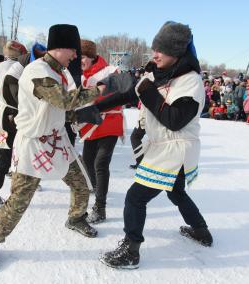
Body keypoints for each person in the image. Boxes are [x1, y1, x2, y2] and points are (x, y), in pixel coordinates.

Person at [77, 21, 212, 269]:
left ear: (178, 53)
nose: (155, 55)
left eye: (162, 50)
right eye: (155, 49)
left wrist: (148, 90)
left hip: (177, 147)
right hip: (164, 146)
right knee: (176, 192)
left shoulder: (191, 81)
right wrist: (94, 109)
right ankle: (201, 231)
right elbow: (128, 95)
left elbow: (174, 120)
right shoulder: (157, 75)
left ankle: (131, 250)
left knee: (135, 198)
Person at [0, 24, 102, 272]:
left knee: (81, 183)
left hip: (57, 141)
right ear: (60, 48)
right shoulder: (38, 70)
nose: (76, 56)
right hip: (34, 145)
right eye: (73, 51)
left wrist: (77, 117)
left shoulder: (60, 72)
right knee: (20, 199)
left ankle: (76, 217)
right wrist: (97, 92)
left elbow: (53, 109)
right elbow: (63, 100)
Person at [0, 42, 44, 209]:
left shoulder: (26, 69)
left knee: (25, 152)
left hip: (20, 117)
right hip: (6, 118)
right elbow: (15, 98)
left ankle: (25, 184)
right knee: (5, 156)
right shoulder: (14, 73)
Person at [77, 39, 122, 223]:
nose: (80, 61)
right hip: (90, 124)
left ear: (91, 56)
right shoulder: (79, 75)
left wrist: (100, 94)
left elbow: (122, 92)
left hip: (109, 122)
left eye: (83, 57)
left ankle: (100, 207)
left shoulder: (110, 70)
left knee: (100, 163)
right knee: (87, 161)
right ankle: (95, 187)